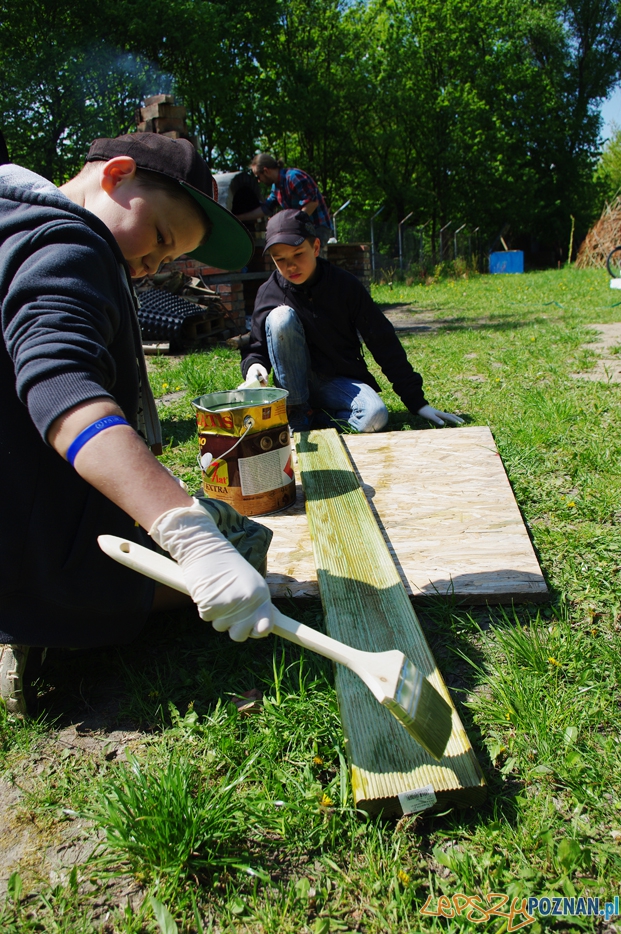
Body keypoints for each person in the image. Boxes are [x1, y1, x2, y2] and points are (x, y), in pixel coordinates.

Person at [0, 133, 277, 716]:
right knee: (240, 543)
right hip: (39, 557)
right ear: (117, 174)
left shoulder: (13, 225)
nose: (154, 265)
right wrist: (187, 534)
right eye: (161, 237)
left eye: (170, 260)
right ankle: (36, 625)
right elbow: (61, 386)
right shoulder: (70, 244)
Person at [240, 210, 464, 433]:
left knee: (374, 416)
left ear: (316, 247)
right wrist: (254, 366)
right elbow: (256, 348)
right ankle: (297, 412)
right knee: (281, 317)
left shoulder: (344, 285)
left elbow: (381, 339)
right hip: (294, 385)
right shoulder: (269, 292)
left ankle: (316, 417)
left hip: (336, 381)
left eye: (298, 254)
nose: (290, 266)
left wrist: (417, 402)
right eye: (280, 259)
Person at [235, 153, 332, 247]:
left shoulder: (294, 177)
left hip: (317, 227)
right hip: (302, 229)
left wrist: (292, 224)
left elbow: (312, 203)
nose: (259, 181)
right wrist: (238, 218)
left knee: (309, 257)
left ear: (266, 171)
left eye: (258, 176)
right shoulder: (276, 187)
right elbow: (265, 208)